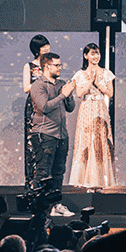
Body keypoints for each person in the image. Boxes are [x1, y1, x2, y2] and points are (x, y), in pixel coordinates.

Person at [28, 52, 75, 217]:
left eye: (60, 65)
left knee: (58, 172)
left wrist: (68, 95)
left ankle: (57, 206)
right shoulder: (38, 85)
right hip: (44, 134)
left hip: (61, 135)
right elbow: (45, 107)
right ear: (47, 67)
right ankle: (38, 208)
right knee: (43, 172)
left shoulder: (61, 83)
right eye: (57, 65)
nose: (60, 68)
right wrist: (63, 95)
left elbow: (70, 108)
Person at [68, 43, 115, 188]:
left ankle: (100, 179)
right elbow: (80, 93)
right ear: (86, 55)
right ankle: (84, 179)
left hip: (100, 107)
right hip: (86, 107)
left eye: (98, 53)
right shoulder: (80, 74)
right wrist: (90, 81)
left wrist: (99, 84)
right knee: (86, 140)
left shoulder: (106, 72)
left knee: (100, 140)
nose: (96, 57)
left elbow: (110, 93)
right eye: (93, 54)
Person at [22, 34, 49, 192]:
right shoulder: (30, 66)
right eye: (43, 46)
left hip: (48, 104)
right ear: (36, 49)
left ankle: (46, 181)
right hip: (34, 106)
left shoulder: (51, 65)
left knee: (48, 143)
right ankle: (31, 183)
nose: (46, 48)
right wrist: (42, 81)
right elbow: (26, 87)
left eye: (47, 45)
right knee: (32, 144)